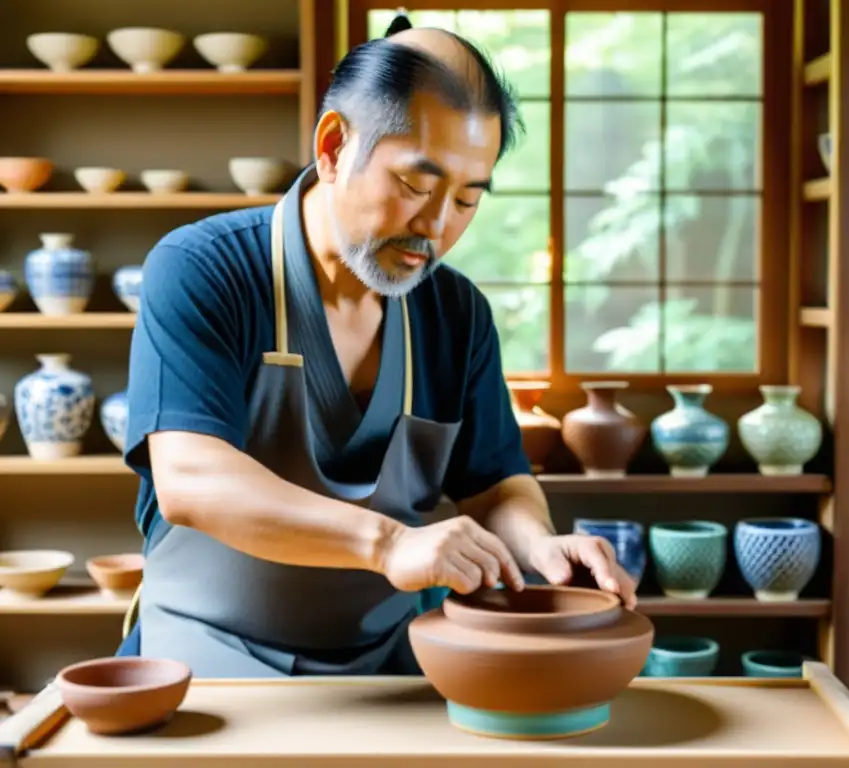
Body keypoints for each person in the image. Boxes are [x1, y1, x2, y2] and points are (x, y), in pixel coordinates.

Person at [116, 19, 637, 678]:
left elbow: (495, 487)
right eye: (417, 186)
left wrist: (543, 546)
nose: (437, 226)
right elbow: (190, 479)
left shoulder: (457, 314)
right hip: (206, 657)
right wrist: (387, 543)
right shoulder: (205, 269)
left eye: (467, 200)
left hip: (394, 664)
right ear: (334, 146)